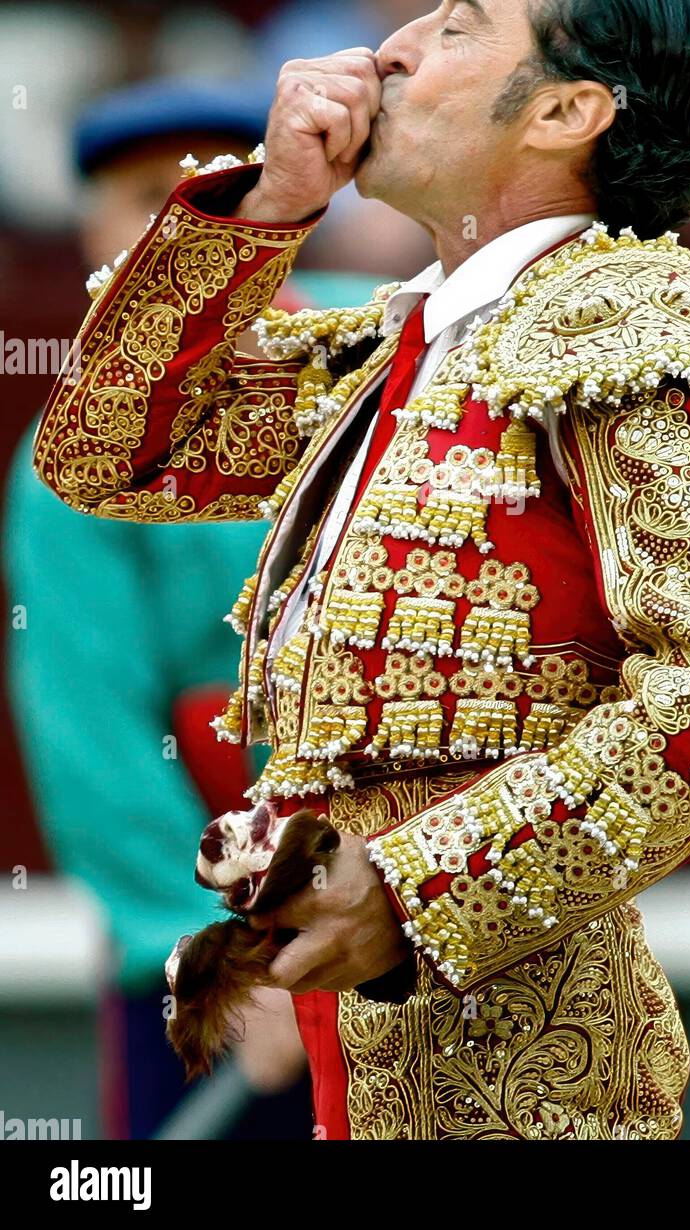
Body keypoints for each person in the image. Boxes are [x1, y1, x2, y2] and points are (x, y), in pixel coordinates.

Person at [33, 0, 690, 1141]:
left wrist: (416, 890)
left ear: (565, 113)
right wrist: (264, 209)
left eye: (454, 20)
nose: (392, 50)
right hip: (360, 1046)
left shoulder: (618, 333)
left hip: (519, 1075)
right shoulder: (400, 349)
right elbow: (105, 453)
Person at [6, 79, 317, 1139]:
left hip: (428, 907)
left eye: (213, 197)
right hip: (218, 939)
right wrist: (221, 963)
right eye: (145, 198)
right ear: (94, 226)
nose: (176, 230)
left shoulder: (392, 344)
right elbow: (92, 739)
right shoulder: (69, 464)